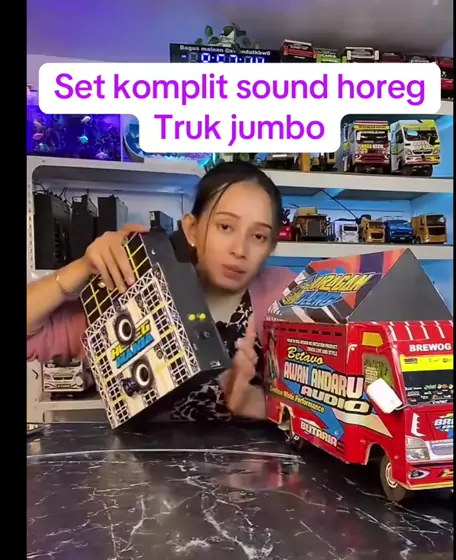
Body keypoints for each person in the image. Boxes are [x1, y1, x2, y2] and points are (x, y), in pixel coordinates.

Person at [27, 161, 295, 422]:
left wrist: (256, 404)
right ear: (192, 229)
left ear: (271, 246)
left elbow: (314, 407)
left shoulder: (286, 297)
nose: (239, 250)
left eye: (258, 236)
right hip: (145, 453)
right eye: (225, 227)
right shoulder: (138, 290)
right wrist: (82, 267)